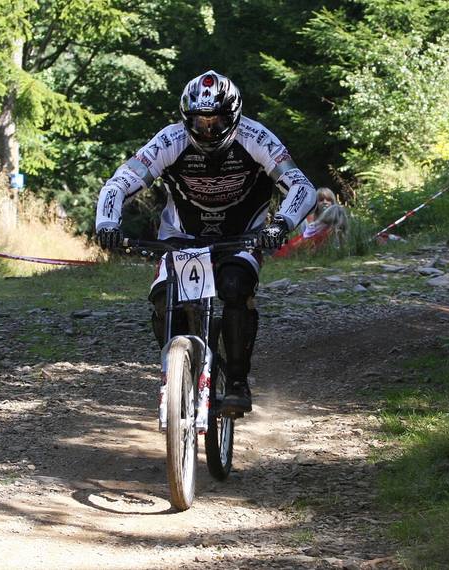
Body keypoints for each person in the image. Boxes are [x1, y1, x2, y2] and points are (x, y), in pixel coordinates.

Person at [94, 70, 318, 413]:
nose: (209, 131)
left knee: (235, 287)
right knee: (163, 298)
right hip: (181, 236)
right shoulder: (170, 140)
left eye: (217, 122)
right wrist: (108, 221)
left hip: (242, 235)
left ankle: (238, 381)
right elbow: (119, 182)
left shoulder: (256, 137)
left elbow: (301, 186)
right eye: (200, 123)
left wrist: (280, 224)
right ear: (187, 119)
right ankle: (177, 371)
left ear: (234, 116)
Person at [274, 187, 348, 258]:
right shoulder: (306, 220)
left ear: (333, 202)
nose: (325, 202)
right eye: (321, 200)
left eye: (328, 200)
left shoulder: (337, 217)